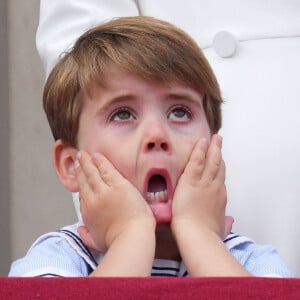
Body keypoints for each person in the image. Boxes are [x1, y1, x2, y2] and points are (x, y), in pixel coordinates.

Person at [9, 16, 292, 277]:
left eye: (179, 112)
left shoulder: (250, 260)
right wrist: (131, 235)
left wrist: (200, 236)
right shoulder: (57, 257)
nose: (157, 134)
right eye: (122, 114)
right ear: (72, 166)